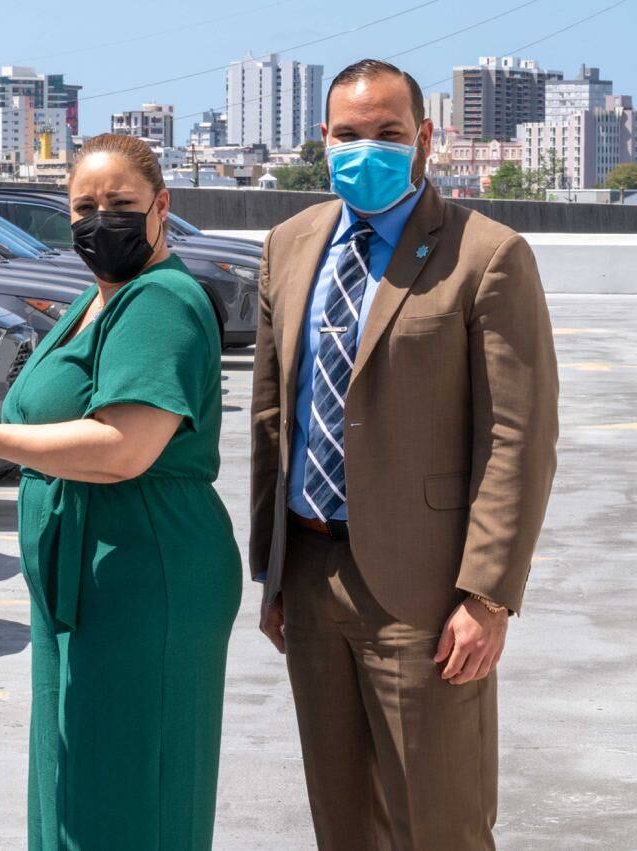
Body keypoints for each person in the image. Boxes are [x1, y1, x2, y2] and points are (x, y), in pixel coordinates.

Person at [0, 133, 241, 849]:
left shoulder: (159, 301)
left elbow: (123, 448)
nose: (100, 220)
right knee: (75, 788)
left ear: (162, 206)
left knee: (127, 799)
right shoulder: (98, 299)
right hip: (84, 579)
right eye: (84, 206)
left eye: (120, 204)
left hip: (140, 572)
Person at [250, 60, 559, 849]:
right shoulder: (289, 247)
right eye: (349, 135)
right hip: (311, 575)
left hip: (426, 594)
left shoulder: (487, 255)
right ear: (324, 139)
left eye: (388, 133)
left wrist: (488, 596)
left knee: (439, 824)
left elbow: (517, 440)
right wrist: (273, 572)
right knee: (343, 822)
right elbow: (272, 417)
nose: (367, 149)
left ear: (424, 138)